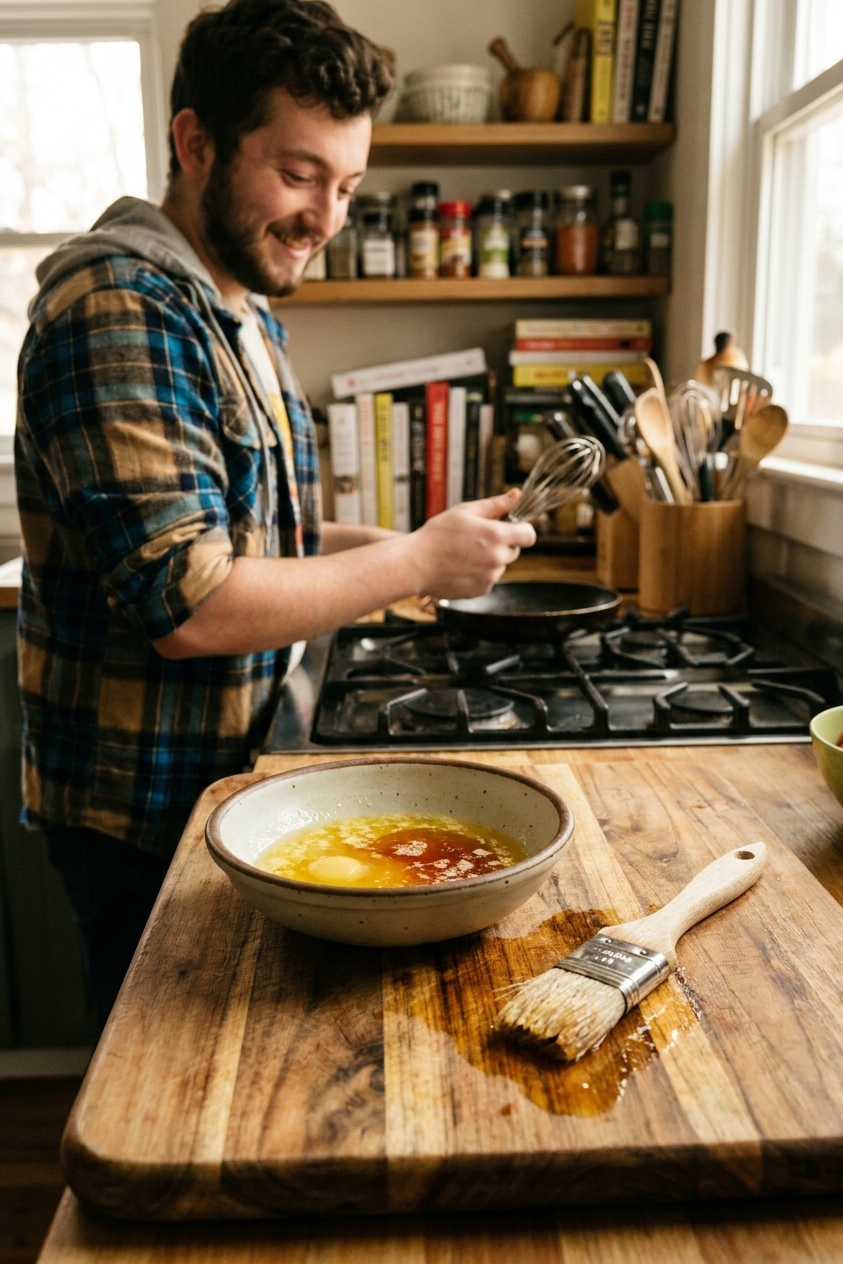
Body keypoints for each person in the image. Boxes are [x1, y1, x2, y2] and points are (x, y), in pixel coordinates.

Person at [14, 0, 535, 1033]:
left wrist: (412, 550)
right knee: (168, 1108)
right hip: (145, 817)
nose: (328, 218)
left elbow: (265, 540)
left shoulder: (236, 310)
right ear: (195, 140)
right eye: (300, 176)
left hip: (239, 780)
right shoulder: (119, 305)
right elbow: (192, 602)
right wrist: (416, 561)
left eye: (346, 185)